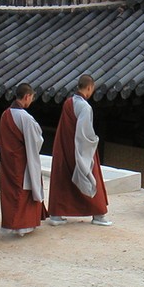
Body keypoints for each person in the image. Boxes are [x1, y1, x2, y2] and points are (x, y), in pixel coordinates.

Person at [48, 74, 112, 226]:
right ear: (89, 88)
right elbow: (85, 133)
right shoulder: (85, 106)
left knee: (63, 178)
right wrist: (94, 141)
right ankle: (99, 214)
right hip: (80, 148)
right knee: (91, 175)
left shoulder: (68, 102)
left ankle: (56, 214)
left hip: (65, 146)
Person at [0, 84, 48, 236]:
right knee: (23, 191)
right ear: (27, 96)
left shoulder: (5, 114)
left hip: (8, 160)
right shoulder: (25, 117)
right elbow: (36, 140)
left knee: (11, 191)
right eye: (31, 98)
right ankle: (22, 225)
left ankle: (11, 223)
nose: (31, 101)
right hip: (21, 161)